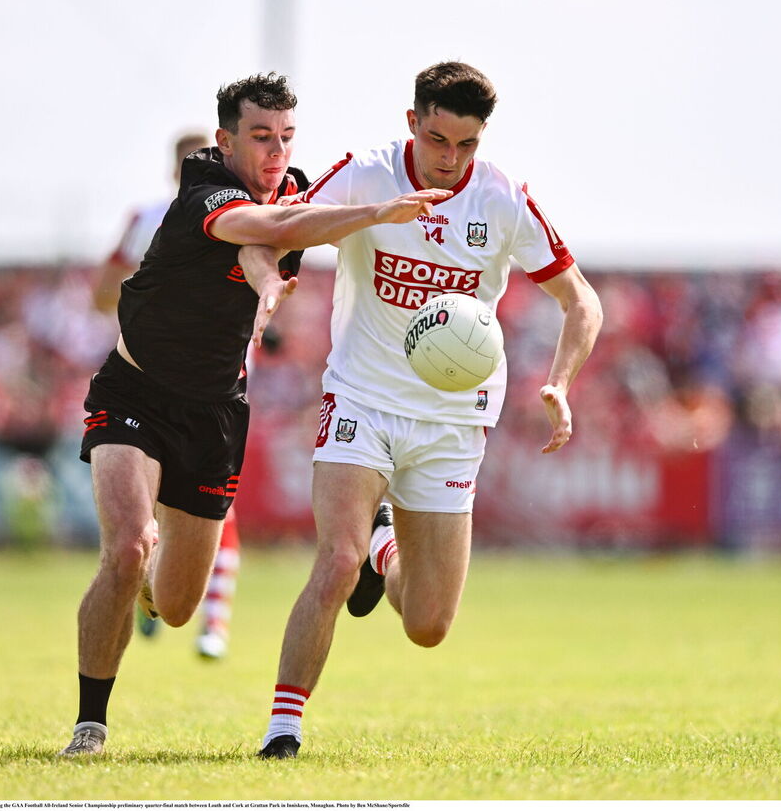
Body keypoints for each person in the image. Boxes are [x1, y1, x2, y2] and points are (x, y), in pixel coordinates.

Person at [59, 72, 451, 757]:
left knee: (175, 606)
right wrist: (378, 212)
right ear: (226, 140)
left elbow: (265, 243)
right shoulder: (203, 185)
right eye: (262, 136)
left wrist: (270, 278)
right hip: (136, 392)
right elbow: (263, 229)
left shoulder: (290, 188)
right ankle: (90, 725)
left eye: (286, 137)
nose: (276, 151)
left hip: (215, 413)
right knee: (126, 547)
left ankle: (148, 582)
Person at [254, 62, 604, 759]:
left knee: (428, 625)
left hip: (452, 420)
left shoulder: (502, 198)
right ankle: (282, 731)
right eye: (439, 140)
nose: (451, 159)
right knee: (336, 560)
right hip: (363, 397)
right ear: (412, 122)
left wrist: (561, 383)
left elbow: (581, 301)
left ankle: (384, 547)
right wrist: (279, 274)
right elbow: (280, 228)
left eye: (467, 144)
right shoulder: (367, 173)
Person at [93, 131, 241, 659]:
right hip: (153, 379)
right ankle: (162, 590)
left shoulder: (240, 214)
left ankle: (211, 623)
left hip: (212, 382)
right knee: (154, 509)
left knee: (216, 503)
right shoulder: (153, 218)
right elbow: (101, 294)